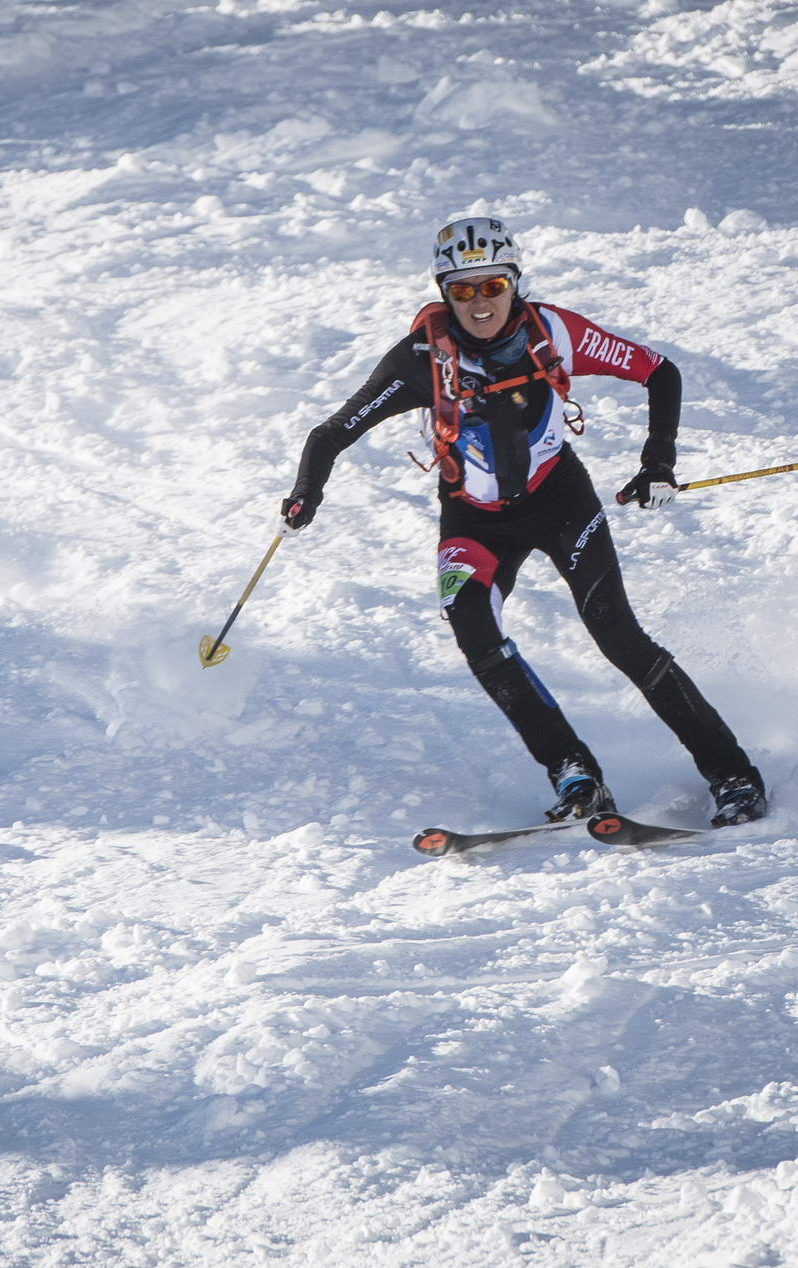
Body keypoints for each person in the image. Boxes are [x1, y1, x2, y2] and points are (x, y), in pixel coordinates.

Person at [282, 215, 768, 828]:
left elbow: (658, 371)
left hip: (560, 501)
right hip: (473, 517)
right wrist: (307, 493)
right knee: (473, 626)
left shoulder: (556, 332)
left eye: (493, 285)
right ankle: (574, 773)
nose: (479, 302)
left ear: (515, 282)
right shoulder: (419, 359)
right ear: (443, 293)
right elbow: (330, 433)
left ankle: (734, 777)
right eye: (462, 289)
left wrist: (658, 463)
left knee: (617, 634)